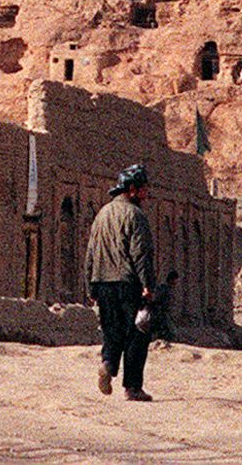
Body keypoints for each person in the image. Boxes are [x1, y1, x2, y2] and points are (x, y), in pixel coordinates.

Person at [86, 162, 159, 400]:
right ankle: (133, 387)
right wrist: (148, 285)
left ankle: (108, 365)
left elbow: (91, 252)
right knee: (138, 333)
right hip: (128, 283)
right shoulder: (136, 216)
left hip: (103, 283)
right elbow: (141, 254)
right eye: (143, 189)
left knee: (112, 331)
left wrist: (91, 286)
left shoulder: (102, 214)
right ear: (132, 189)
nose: (146, 194)